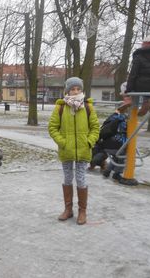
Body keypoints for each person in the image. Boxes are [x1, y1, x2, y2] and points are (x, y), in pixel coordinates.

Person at [48, 77, 100, 225]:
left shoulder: (88, 107)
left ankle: (82, 211)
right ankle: (68, 209)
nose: (75, 91)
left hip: (83, 151)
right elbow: (52, 128)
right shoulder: (61, 107)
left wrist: (89, 142)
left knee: (81, 179)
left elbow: (95, 128)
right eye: (72, 89)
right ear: (67, 91)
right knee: (67, 178)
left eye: (78, 89)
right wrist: (62, 142)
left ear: (82, 90)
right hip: (66, 151)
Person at [119, 36, 150, 116]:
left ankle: (128, 99)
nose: (142, 45)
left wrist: (128, 91)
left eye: (143, 43)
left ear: (147, 44)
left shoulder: (139, 56)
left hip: (142, 86)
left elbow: (133, 75)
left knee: (124, 85)